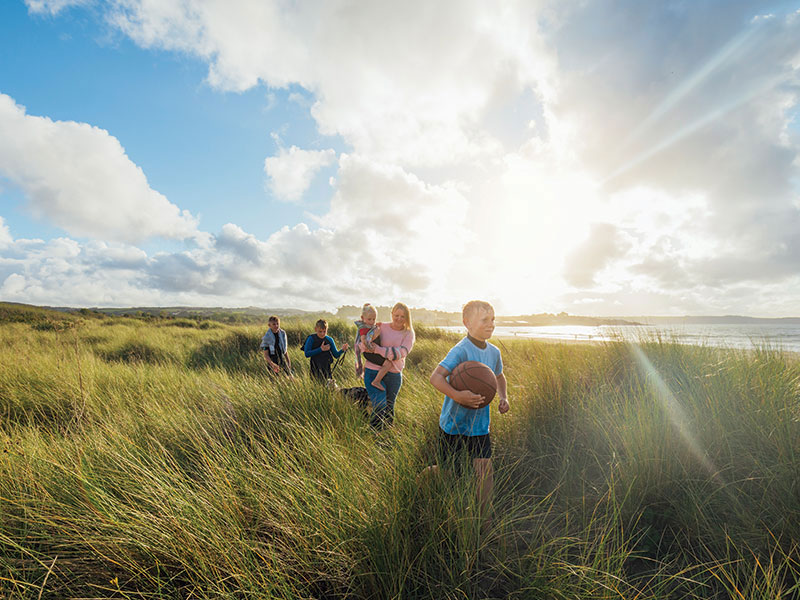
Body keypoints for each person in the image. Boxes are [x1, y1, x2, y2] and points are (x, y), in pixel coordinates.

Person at [421, 300, 510, 519]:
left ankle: (484, 523)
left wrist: (503, 396)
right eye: (484, 320)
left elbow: (498, 376)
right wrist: (457, 395)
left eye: (493, 320)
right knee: (448, 472)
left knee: (485, 472)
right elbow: (436, 377)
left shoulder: (494, 352)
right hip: (454, 424)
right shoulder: (460, 350)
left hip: (480, 426)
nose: (491, 324)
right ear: (467, 323)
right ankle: (422, 479)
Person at [357, 302, 415, 430]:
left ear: (407, 318)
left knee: (389, 406)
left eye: (403, 316)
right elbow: (364, 344)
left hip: (394, 375)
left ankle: (387, 436)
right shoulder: (381, 327)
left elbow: (401, 353)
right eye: (396, 315)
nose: (399, 319)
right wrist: (365, 347)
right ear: (392, 314)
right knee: (379, 404)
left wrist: (378, 350)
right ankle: (373, 434)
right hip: (373, 371)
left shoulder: (409, 334)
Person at [354, 303, 396, 391]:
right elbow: (364, 340)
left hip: (373, 353)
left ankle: (366, 374)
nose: (372, 321)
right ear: (362, 318)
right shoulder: (363, 328)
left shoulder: (370, 326)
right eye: (369, 319)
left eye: (374, 319)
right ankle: (376, 381)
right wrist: (370, 348)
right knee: (388, 364)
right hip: (371, 353)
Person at [303, 319, 349, 384]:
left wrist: (342, 350)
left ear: (327, 330)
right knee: (316, 386)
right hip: (315, 368)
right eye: (320, 331)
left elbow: (336, 355)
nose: (322, 334)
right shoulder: (311, 338)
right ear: (315, 329)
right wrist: (320, 349)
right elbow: (307, 354)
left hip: (327, 368)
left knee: (329, 388)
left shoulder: (329, 340)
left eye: (324, 331)